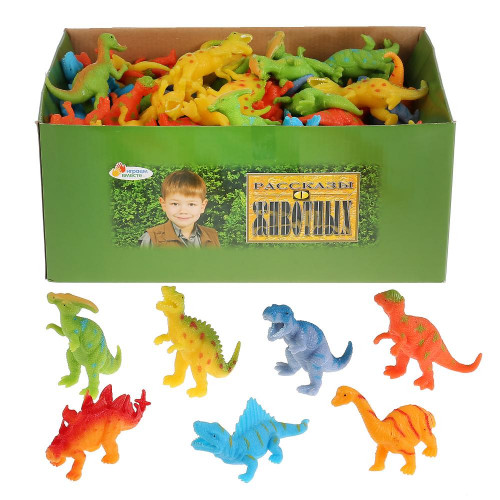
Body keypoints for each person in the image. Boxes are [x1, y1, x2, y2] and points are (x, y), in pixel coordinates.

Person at [139, 169, 220, 247]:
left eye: (191, 204)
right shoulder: (152, 238)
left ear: (202, 206)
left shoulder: (212, 236)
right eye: (175, 204)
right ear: (164, 204)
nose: (183, 211)